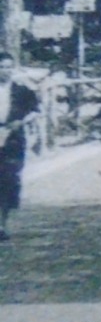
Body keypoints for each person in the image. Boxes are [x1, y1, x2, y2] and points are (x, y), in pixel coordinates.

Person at [0, 51, 41, 241]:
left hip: (13, 138)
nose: (5, 71)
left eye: (9, 67)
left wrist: (21, 122)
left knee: (8, 179)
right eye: (2, 67)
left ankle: (2, 223)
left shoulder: (21, 90)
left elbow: (35, 110)